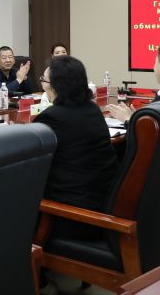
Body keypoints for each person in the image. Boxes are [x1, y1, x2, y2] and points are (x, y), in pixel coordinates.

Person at [35, 56, 119, 217]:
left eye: (44, 81)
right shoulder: (93, 109)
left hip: (74, 211)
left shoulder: (52, 117)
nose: (43, 85)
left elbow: (35, 165)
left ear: (55, 86)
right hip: (104, 200)